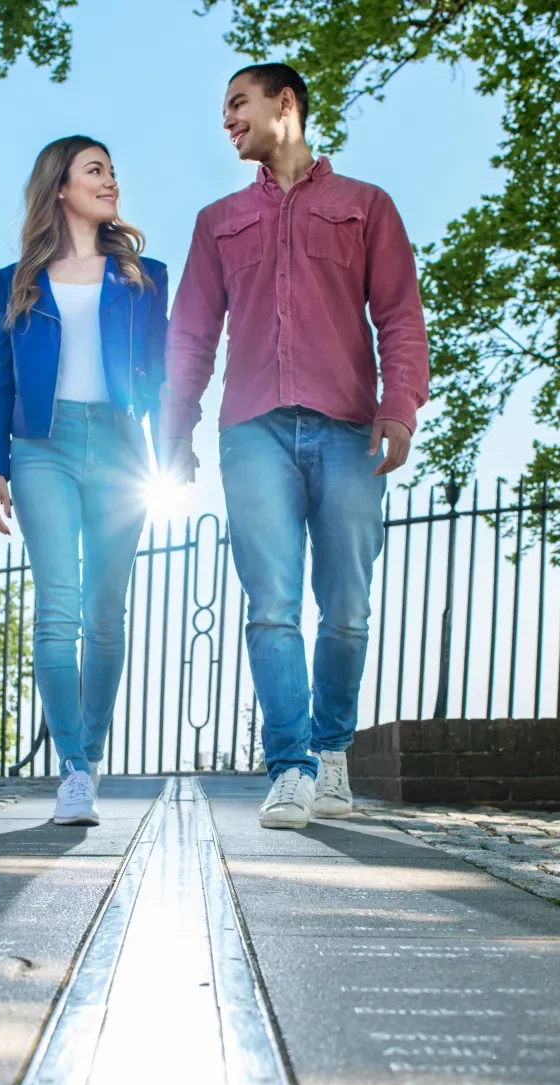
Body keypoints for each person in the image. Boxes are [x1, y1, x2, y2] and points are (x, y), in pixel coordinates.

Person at [161, 64, 429, 830]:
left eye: (237, 103)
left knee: (345, 607)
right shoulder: (218, 221)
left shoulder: (365, 206)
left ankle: (332, 751)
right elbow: (191, 332)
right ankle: (291, 766)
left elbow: (400, 317)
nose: (226, 120)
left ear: (287, 106)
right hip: (253, 432)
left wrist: (398, 407)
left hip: (348, 430)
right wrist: (175, 426)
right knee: (272, 607)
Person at [0, 135, 167, 826]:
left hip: (121, 449)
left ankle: (91, 749)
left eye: (114, 171)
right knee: (58, 610)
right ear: (61, 186)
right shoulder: (16, 282)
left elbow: (164, 370)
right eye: (96, 171)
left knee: (105, 614)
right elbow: (2, 378)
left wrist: (172, 443)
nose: (110, 181)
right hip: (42, 449)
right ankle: (76, 771)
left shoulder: (144, 276)